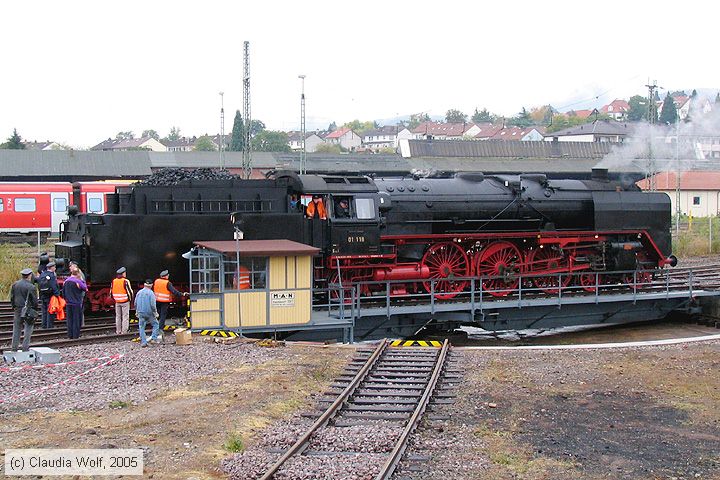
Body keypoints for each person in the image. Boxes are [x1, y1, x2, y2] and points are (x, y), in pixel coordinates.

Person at [10, 268, 38, 352]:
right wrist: (34, 309)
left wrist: (14, 306)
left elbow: (12, 297)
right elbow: (34, 301)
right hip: (28, 310)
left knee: (16, 328)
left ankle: (14, 347)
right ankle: (25, 348)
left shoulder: (15, 284)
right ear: (29, 275)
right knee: (28, 329)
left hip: (18, 309)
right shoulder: (31, 287)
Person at [62, 269, 87, 339]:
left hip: (68, 303)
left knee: (69, 320)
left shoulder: (66, 281)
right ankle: (76, 335)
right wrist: (82, 280)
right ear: (78, 274)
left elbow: (63, 293)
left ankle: (70, 335)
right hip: (76, 303)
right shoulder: (78, 281)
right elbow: (85, 288)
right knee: (76, 320)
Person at [135, 279, 160, 347]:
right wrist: (155, 313)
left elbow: (135, 303)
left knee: (141, 327)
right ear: (151, 285)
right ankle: (154, 338)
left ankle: (143, 342)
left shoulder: (139, 292)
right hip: (149, 313)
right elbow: (153, 305)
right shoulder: (151, 293)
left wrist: (137, 311)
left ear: (144, 285)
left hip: (140, 312)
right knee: (156, 324)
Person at [37, 261, 60, 329]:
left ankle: (44, 325)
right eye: (54, 267)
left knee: (44, 311)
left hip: (43, 295)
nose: (55, 268)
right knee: (50, 311)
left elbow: (39, 285)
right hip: (50, 296)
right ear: (52, 268)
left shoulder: (42, 274)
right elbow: (53, 286)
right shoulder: (52, 275)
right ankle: (49, 326)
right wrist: (57, 295)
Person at [111, 267, 134, 335]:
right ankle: (124, 331)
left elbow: (111, 292)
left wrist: (115, 299)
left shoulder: (114, 281)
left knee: (118, 317)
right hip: (125, 302)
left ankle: (118, 331)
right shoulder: (125, 281)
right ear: (123, 274)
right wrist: (130, 299)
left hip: (117, 302)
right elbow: (130, 292)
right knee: (125, 317)